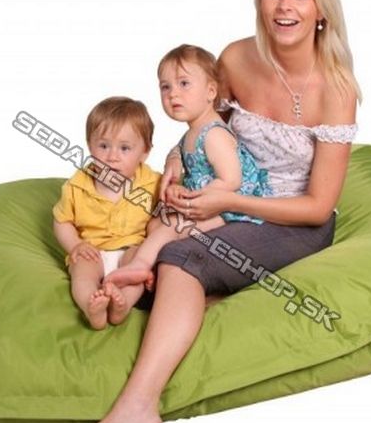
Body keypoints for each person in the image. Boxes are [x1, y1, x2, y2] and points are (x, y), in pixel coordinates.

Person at [56, 0, 362, 423]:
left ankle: (137, 408)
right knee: (155, 235)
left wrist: (227, 200)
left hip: (292, 220)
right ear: (259, 0)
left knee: (181, 254)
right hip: (226, 198)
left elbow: (316, 206)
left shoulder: (337, 88)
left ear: (321, 8)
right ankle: (178, 295)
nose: (285, 6)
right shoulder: (237, 58)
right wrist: (176, 160)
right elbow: (203, 124)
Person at [103, 44, 272, 290]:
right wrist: (176, 177)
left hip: (233, 212)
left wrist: (191, 200)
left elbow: (232, 181)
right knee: (155, 224)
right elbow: (183, 159)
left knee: (170, 227)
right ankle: (149, 273)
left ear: (210, 91)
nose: (173, 94)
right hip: (211, 204)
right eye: (165, 87)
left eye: (184, 84)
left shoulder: (214, 135)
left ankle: (139, 265)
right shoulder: (194, 131)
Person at [51, 96, 161, 331]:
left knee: (139, 269)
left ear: (144, 152)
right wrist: (76, 245)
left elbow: (165, 217)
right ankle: (92, 306)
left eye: (125, 148)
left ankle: (122, 305)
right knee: (82, 272)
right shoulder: (77, 185)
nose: (112, 156)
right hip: (93, 251)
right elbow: (62, 221)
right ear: (90, 146)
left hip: (132, 251)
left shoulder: (152, 183)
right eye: (103, 146)